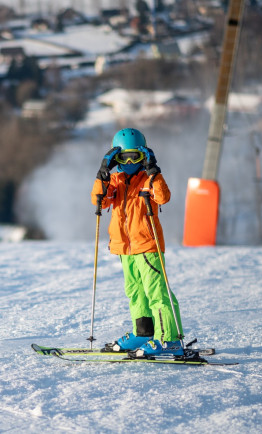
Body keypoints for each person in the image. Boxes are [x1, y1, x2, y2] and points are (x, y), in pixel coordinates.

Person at [91, 128, 184, 357]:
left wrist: (154, 171)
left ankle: (168, 339)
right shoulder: (115, 179)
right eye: (124, 157)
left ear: (145, 156)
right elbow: (100, 201)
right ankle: (143, 333)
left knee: (157, 293)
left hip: (148, 246)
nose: (130, 161)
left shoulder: (148, 178)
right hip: (125, 247)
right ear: (115, 158)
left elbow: (163, 197)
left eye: (136, 156)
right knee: (135, 293)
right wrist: (102, 174)